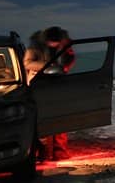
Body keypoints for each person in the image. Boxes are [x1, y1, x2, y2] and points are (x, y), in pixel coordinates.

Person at [24, 26, 76, 161]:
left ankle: (60, 153)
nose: (54, 45)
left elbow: (71, 58)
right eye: (52, 43)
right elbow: (27, 63)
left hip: (58, 85)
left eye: (57, 43)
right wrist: (46, 66)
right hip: (40, 84)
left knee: (60, 120)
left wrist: (64, 68)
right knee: (43, 121)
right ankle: (44, 154)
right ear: (46, 40)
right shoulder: (35, 46)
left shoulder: (65, 44)